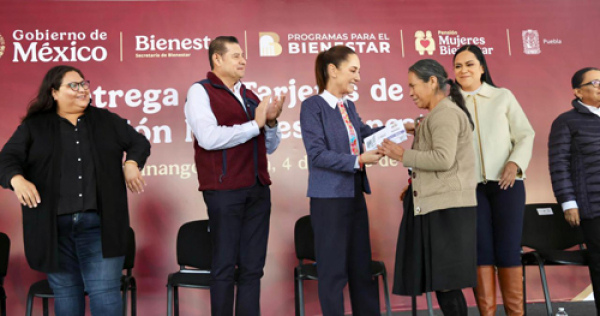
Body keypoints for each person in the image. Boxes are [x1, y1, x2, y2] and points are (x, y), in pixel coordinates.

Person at [0, 65, 151, 316]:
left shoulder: (105, 120)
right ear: (54, 92)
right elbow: (6, 159)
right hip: (53, 230)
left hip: (100, 227)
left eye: (84, 83)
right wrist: (17, 180)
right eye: (74, 85)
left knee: (105, 298)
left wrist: (132, 163)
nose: (83, 89)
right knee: (67, 297)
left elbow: (139, 142)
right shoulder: (35, 126)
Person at [184, 36, 285, 316]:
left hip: (258, 188)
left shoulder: (250, 96)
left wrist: (272, 123)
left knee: (253, 268)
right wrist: (255, 125)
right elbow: (208, 138)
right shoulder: (200, 91)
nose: (243, 60)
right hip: (224, 190)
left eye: (244, 55)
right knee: (225, 266)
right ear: (217, 59)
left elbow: (269, 146)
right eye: (236, 55)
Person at [381, 59, 477, 316]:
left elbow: (443, 160)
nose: (410, 92)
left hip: (447, 211)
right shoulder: (437, 115)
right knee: (445, 284)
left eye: (413, 86)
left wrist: (402, 155)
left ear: (432, 81)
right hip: (440, 207)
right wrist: (416, 185)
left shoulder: (445, 113)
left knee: (447, 284)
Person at [299, 45, 383, 316]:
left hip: (355, 194)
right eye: (353, 70)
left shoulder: (349, 105)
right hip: (329, 200)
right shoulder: (313, 107)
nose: (358, 77)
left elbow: (366, 135)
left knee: (361, 269)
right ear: (333, 71)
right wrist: (357, 161)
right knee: (333, 272)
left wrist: (401, 128)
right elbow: (317, 154)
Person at [452, 45, 535, 316]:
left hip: (506, 186)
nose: (464, 70)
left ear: (482, 68)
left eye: (470, 64)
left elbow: (525, 134)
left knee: (509, 250)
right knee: (481, 252)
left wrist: (515, 163)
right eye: (458, 66)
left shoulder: (503, 97)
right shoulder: (449, 104)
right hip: (469, 189)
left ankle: (515, 313)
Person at [548, 67, 600, 316]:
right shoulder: (566, 121)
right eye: (596, 82)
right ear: (578, 91)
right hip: (593, 205)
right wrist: (568, 202)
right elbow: (558, 165)